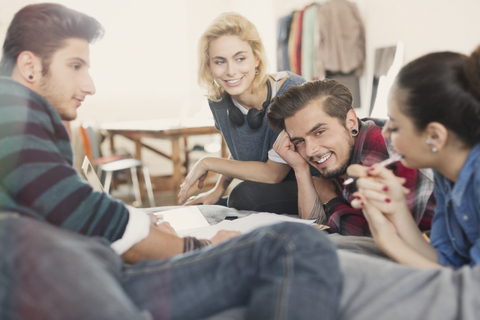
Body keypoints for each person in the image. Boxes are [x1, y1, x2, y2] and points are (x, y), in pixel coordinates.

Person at [0, 4, 342, 319]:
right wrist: (193, 245)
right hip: (93, 278)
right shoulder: (9, 104)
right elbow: (72, 205)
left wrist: (145, 225)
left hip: (100, 267)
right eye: (76, 66)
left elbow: (62, 206)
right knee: (291, 242)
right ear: (29, 66)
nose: (89, 85)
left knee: (256, 217)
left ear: (256, 58)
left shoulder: (26, 115)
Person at [349, 45, 480, 268]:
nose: (385, 132)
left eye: (396, 126)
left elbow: (471, 293)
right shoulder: (446, 174)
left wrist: (388, 241)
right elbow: (445, 261)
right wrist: (396, 207)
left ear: (434, 136)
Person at [267, 79, 436, 236]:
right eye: (299, 141)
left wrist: (331, 201)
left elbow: (382, 238)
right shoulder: (336, 149)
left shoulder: (383, 153)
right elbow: (315, 227)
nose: (310, 150)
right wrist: (301, 169)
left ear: (351, 122)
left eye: (319, 132)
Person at [177, 12, 307, 215]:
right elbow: (242, 147)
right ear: (209, 66)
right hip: (269, 186)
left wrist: (208, 162)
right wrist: (217, 189)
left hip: (311, 183)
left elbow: (274, 175)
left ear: (256, 58)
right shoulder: (219, 101)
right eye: (220, 61)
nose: (231, 71)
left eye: (240, 58)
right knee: (214, 206)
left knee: (243, 196)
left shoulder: (291, 91)